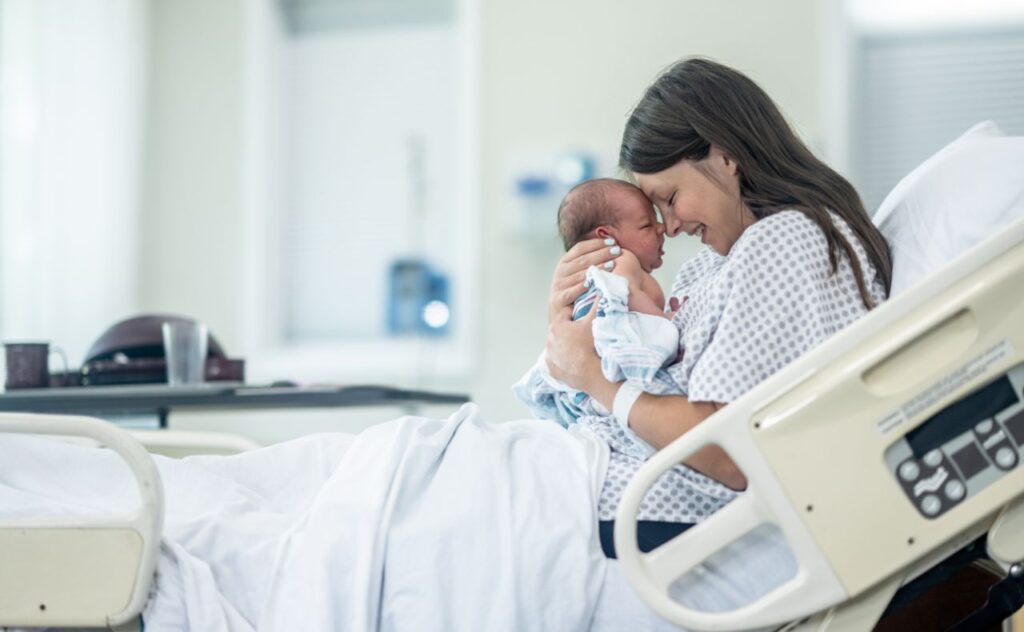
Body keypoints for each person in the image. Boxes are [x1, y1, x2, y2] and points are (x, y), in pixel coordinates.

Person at [544, 57, 892, 557]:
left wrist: (594, 378)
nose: (669, 225)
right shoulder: (713, 264)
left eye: (670, 197)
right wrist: (577, 317)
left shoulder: (787, 242)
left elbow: (730, 452)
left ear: (725, 156)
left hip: (646, 508)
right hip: (596, 467)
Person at [557, 178, 670, 319]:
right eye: (646, 225)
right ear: (607, 238)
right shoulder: (622, 260)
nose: (661, 227)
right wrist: (667, 320)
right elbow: (628, 296)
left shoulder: (595, 280)